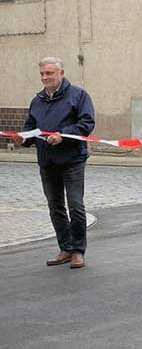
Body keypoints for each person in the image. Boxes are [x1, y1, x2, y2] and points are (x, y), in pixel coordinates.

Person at [15, 57, 95, 269]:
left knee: (76, 206)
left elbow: (86, 124)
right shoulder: (38, 100)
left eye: (49, 73)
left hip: (72, 160)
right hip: (47, 161)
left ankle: (78, 250)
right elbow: (31, 127)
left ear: (61, 73)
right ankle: (65, 248)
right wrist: (23, 138)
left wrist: (63, 135)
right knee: (55, 207)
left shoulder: (78, 95)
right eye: (42, 74)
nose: (45, 78)